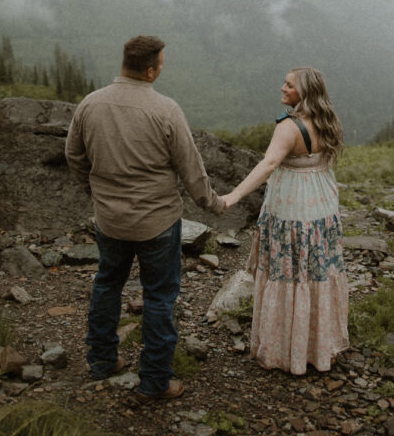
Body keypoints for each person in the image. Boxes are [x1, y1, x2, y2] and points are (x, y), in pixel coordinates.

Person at [65, 35, 225, 400]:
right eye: (162, 65)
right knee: (159, 297)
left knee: (107, 284)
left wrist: (97, 192)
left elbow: (73, 155)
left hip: (109, 220)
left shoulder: (90, 104)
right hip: (157, 222)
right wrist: (213, 204)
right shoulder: (166, 110)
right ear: (151, 70)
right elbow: (191, 169)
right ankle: (154, 382)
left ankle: (103, 362)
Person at [222, 67, 348, 374]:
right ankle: (317, 347)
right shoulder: (327, 121)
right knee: (316, 272)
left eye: (289, 86)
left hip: (291, 207)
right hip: (321, 206)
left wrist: (233, 196)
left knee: (289, 272)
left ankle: (285, 349)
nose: (282, 88)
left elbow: (268, 165)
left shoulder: (289, 127)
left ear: (303, 93)